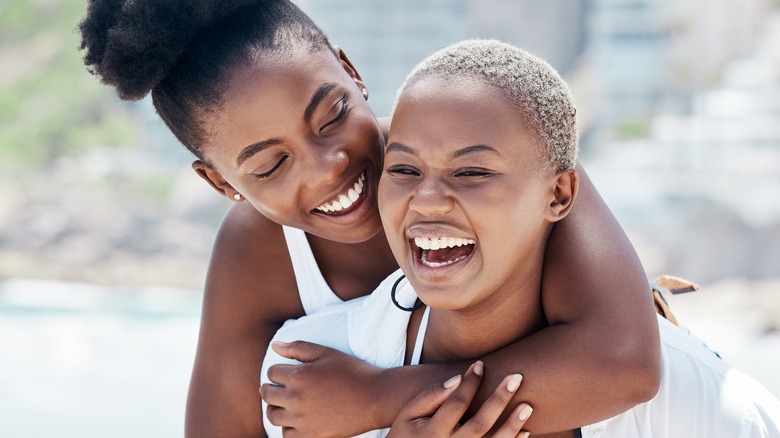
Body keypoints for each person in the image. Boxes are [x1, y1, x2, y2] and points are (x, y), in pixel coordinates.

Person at [78, 1, 661, 436]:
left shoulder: (486, 140)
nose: (328, 167)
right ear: (222, 183)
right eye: (273, 164)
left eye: (331, 115)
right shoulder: (259, 254)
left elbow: (624, 363)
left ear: (350, 70)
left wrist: (380, 399)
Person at [262, 39, 780, 438]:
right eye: (403, 168)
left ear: (558, 195)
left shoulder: (705, 411)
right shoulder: (310, 374)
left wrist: (383, 399)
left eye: (471, 173)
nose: (429, 199)